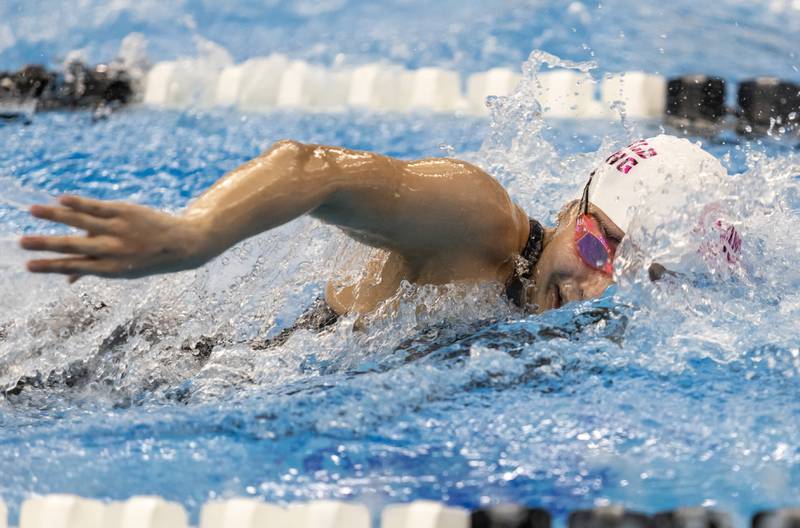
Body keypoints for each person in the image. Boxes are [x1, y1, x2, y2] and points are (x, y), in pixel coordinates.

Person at [19, 134, 738, 323]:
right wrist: (192, 236)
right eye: (595, 243)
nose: (595, 285)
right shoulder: (477, 220)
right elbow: (312, 168)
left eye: (636, 272)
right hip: (194, 373)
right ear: (572, 209)